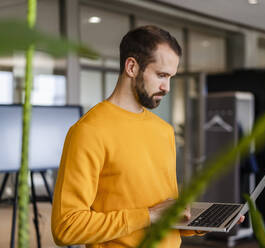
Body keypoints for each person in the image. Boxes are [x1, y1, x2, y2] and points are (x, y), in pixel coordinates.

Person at [51, 25, 243, 248]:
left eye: (170, 77)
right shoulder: (89, 131)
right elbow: (66, 227)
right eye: (161, 75)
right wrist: (147, 215)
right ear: (132, 67)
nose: (167, 87)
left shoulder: (164, 131)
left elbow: (165, 215)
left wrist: (204, 222)